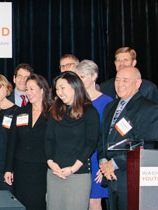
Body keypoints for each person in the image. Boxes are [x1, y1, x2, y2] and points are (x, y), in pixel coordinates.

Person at [98, 67, 158, 210]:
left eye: (125, 80)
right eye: (117, 80)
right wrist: (103, 161)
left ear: (138, 83)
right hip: (111, 177)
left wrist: (115, 163)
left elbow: (146, 145)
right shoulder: (110, 107)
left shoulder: (149, 109)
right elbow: (102, 139)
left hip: (131, 179)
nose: (120, 84)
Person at [45, 71, 99, 210]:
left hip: (78, 174)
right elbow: (49, 139)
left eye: (63, 87)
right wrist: (50, 162)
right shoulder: (55, 110)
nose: (59, 92)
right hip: (55, 173)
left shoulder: (90, 111)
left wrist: (73, 168)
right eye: (57, 89)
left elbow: (91, 143)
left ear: (75, 86)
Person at [4, 74, 53, 210]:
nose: (28, 93)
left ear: (42, 90)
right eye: (27, 89)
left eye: (32, 89)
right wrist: (8, 168)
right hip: (21, 167)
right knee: (21, 203)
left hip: (42, 167)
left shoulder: (53, 112)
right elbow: (12, 141)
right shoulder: (20, 112)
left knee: (37, 203)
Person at [75, 60, 113, 210]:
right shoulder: (76, 101)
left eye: (82, 77)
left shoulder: (106, 102)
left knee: (94, 202)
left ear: (94, 76)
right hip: (78, 157)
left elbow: (109, 135)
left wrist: (104, 163)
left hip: (97, 159)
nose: (79, 81)